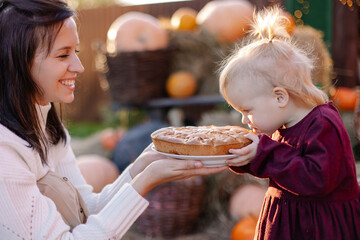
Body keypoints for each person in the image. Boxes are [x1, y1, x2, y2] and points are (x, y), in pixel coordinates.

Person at [0, 0, 227, 239]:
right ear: (17, 63)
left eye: (75, 52)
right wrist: (146, 181)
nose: (79, 67)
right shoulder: (5, 152)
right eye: (63, 55)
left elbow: (86, 209)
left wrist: (142, 168)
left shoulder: (49, 128)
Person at [219, 7, 360, 240]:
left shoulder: (323, 124)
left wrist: (263, 153)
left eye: (247, 110)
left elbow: (316, 180)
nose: (243, 119)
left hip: (320, 229)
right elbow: (282, 166)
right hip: (292, 225)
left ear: (280, 97)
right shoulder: (283, 125)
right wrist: (246, 158)